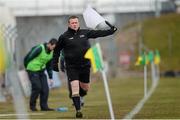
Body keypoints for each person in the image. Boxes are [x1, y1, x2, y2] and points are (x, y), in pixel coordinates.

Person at [53, 16, 117, 118]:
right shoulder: (64, 37)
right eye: (72, 23)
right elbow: (56, 51)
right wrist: (54, 63)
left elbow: (98, 33)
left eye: (76, 22)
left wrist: (111, 31)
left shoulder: (85, 32)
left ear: (78, 23)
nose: (74, 24)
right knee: (74, 88)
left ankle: (81, 94)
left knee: (85, 88)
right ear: (69, 24)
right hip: (72, 67)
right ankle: (78, 110)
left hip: (85, 66)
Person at [24, 38, 57, 111]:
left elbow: (49, 66)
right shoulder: (39, 48)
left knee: (45, 89)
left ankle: (44, 107)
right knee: (37, 87)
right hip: (32, 70)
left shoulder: (51, 53)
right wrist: (26, 67)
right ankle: (32, 107)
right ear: (49, 44)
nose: (53, 49)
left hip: (41, 71)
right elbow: (28, 57)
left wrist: (50, 78)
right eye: (53, 47)